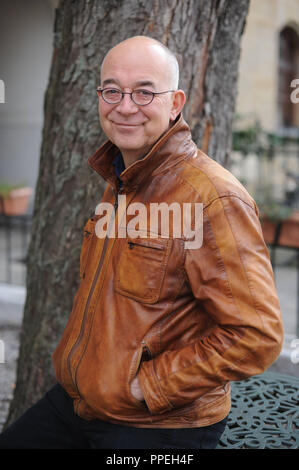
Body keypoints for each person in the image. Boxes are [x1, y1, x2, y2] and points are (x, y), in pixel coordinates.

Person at [0, 36, 283, 449]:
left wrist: (146, 386)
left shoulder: (213, 198)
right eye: (112, 90)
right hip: (80, 403)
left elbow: (257, 335)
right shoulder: (120, 177)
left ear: (175, 103)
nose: (125, 106)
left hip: (157, 425)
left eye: (145, 91)